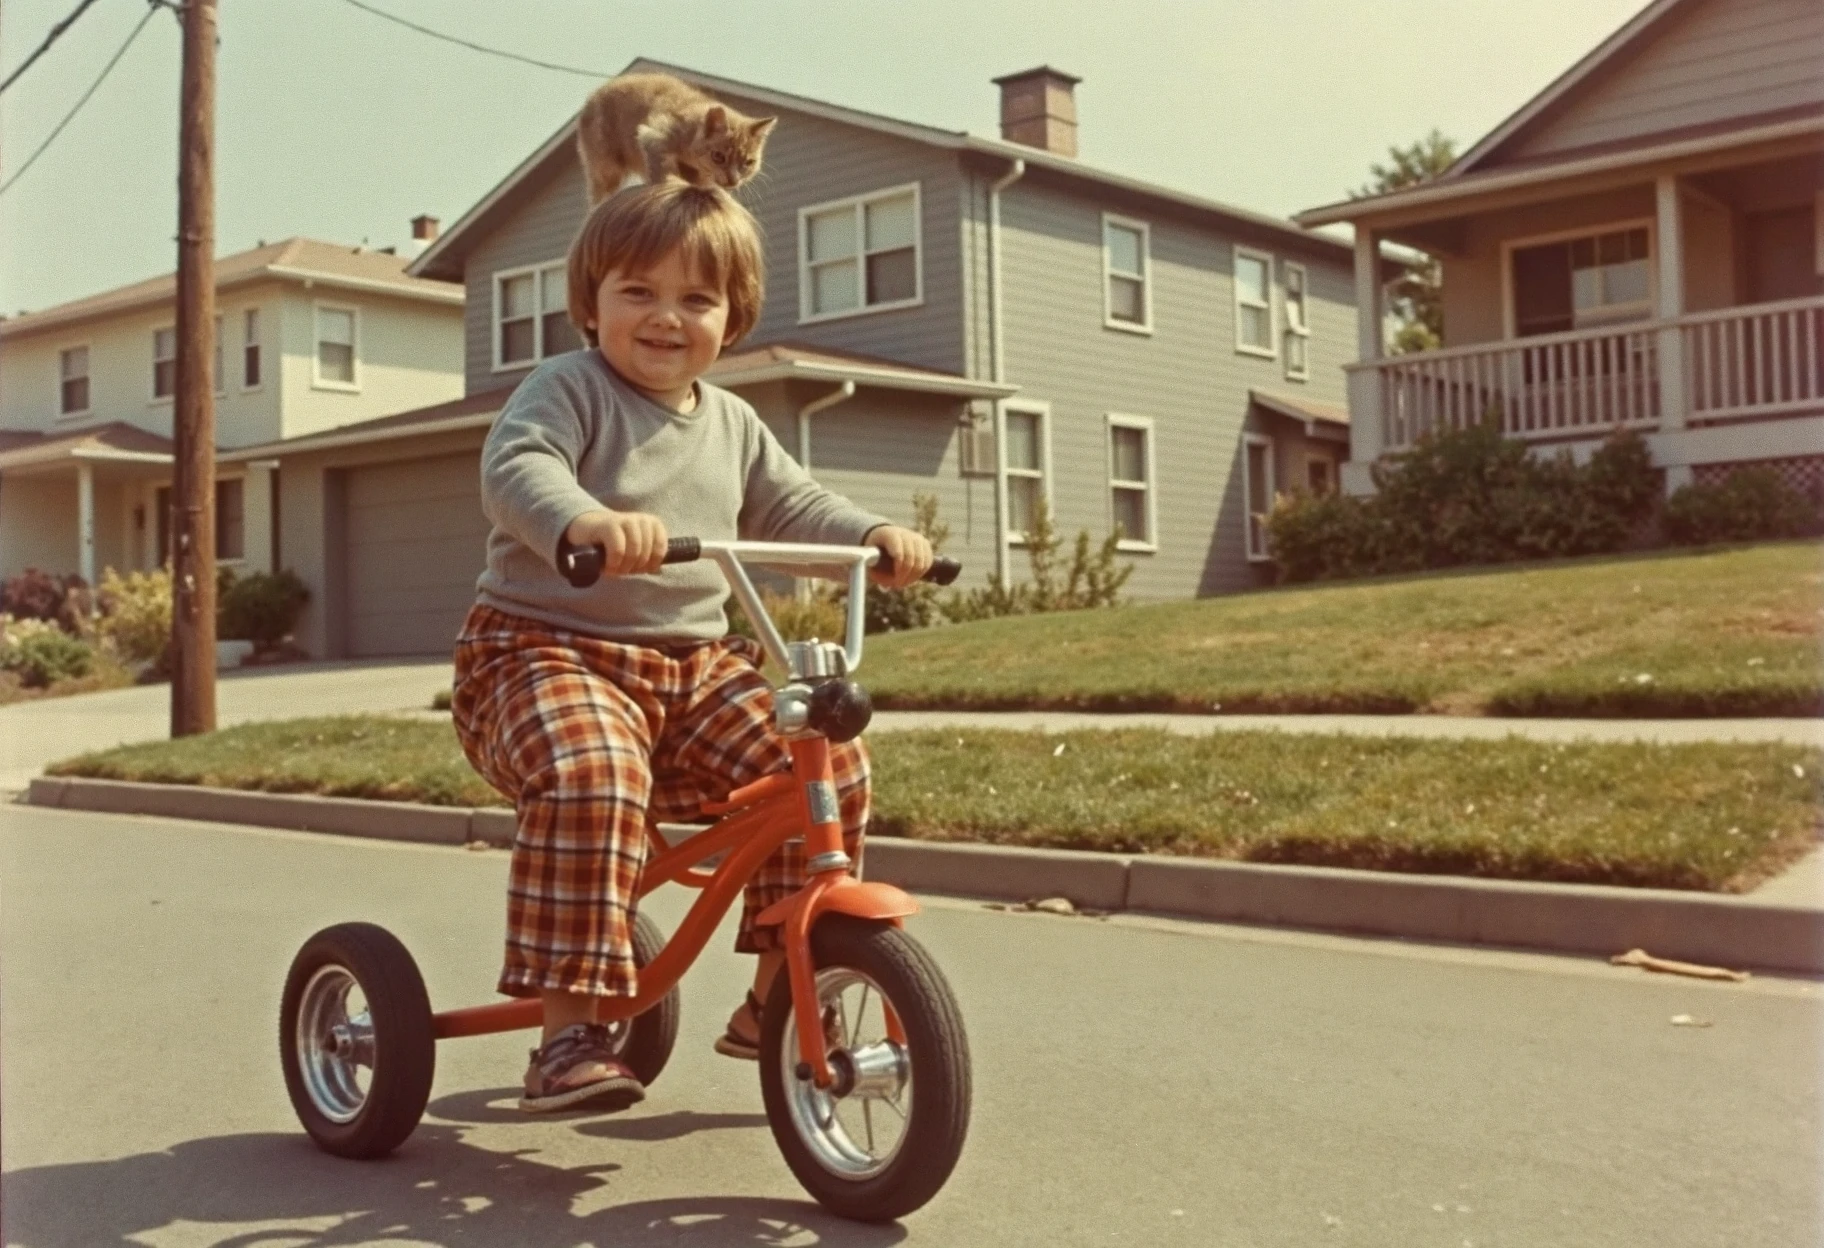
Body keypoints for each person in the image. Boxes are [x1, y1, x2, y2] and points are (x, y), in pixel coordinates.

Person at [449, 180, 933, 1113]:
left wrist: (871, 536)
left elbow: (795, 507)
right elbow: (518, 468)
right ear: (591, 303)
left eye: (697, 299)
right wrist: (586, 519)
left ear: (733, 318)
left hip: (694, 673)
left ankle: (777, 1002)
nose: (666, 317)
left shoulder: (735, 423)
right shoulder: (568, 390)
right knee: (592, 772)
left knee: (823, 762)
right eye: (638, 291)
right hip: (542, 654)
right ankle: (567, 1035)